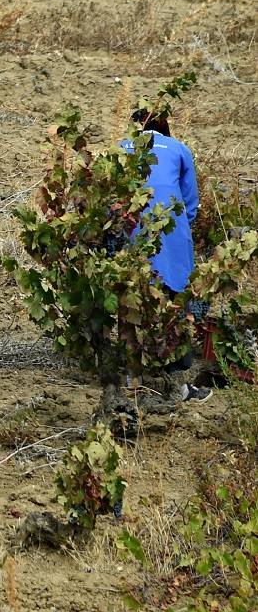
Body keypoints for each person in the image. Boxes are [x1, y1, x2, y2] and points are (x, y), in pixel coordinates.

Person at [121, 108, 209, 402]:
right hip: (172, 235)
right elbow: (191, 204)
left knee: (132, 301)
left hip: (131, 233)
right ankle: (179, 387)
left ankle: (133, 379)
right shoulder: (179, 148)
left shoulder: (122, 148)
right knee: (178, 302)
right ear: (165, 129)